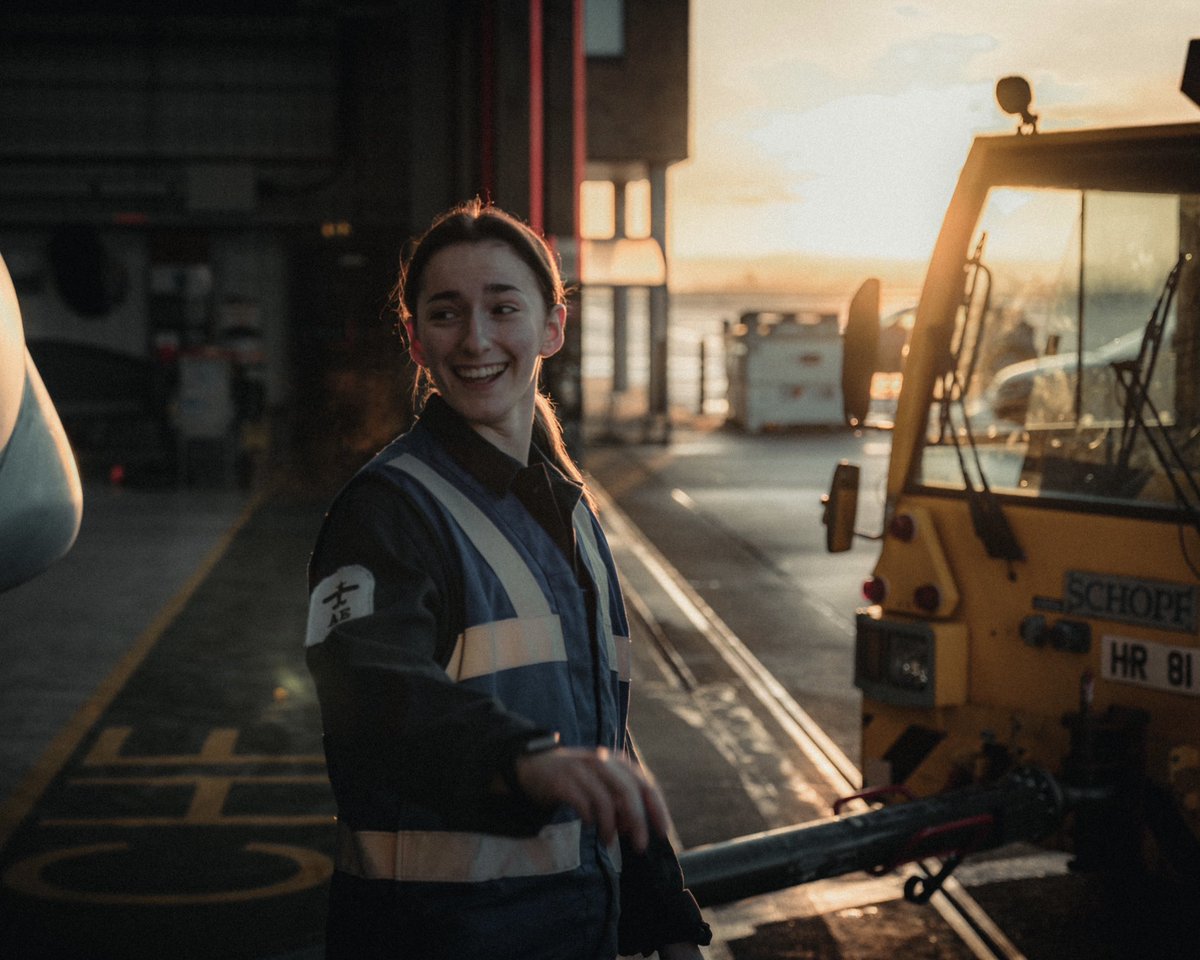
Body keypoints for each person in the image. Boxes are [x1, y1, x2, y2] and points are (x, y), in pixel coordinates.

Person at [305, 199, 711, 960]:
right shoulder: (388, 511)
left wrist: (664, 918)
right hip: (436, 938)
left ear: (552, 327)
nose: (477, 339)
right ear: (416, 338)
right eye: (447, 314)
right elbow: (366, 685)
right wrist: (523, 760)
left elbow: (603, 740)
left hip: (572, 934)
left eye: (503, 307)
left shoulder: (570, 510)